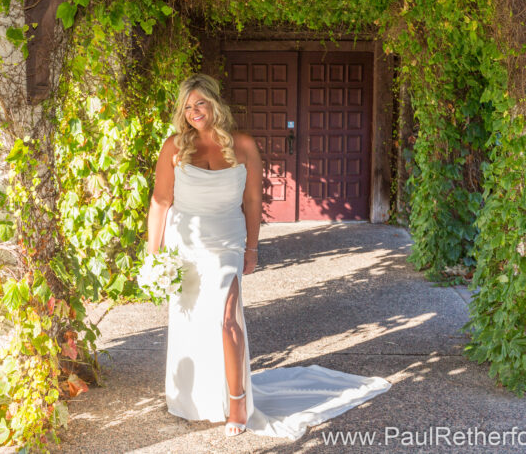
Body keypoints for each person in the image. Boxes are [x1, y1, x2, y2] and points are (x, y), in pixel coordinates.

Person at [146, 73, 392, 440]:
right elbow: (161, 201)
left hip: (226, 242)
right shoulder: (174, 147)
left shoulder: (243, 145)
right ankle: (196, 396)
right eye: (187, 106)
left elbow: (252, 200)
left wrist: (252, 247)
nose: (193, 111)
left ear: (215, 104)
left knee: (226, 319)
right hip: (185, 244)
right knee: (192, 320)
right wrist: (153, 255)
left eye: (200, 103)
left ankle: (238, 401)